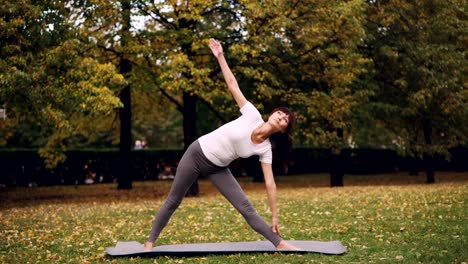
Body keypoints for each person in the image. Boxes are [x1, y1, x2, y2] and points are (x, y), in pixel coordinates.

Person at [144, 38, 301, 251]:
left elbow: (270, 183)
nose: (281, 117)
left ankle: (279, 243)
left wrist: (274, 215)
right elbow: (233, 85)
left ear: (283, 129)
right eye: (280, 113)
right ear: (273, 113)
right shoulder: (252, 115)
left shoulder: (265, 149)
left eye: (285, 120)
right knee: (174, 200)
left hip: (218, 167)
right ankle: (150, 242)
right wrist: (220, 57)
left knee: (245, 207)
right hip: (197, 154)